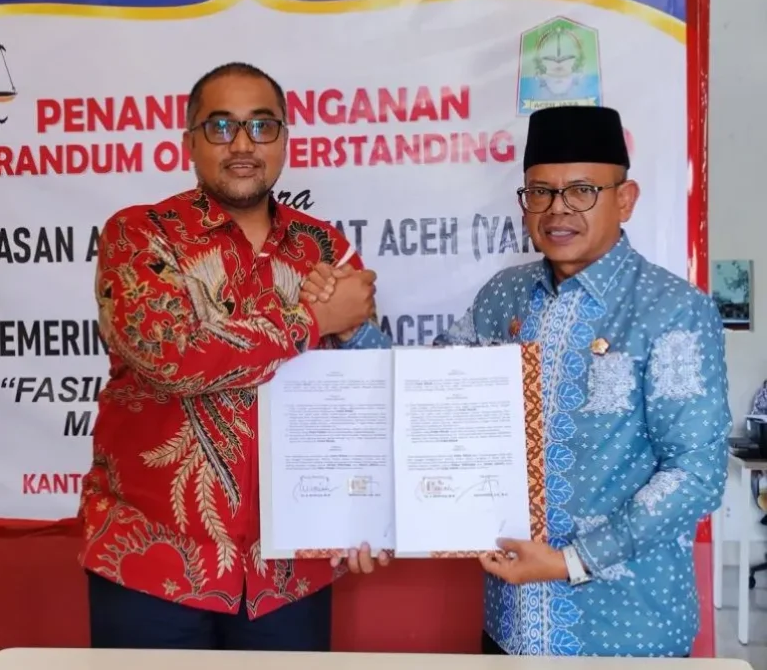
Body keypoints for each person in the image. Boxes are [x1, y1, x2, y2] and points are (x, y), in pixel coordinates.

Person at [300, 105, 731, 657]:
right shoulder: (503, 294)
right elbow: (423, 402)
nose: (557, 210)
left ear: (625, 199)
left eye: (581, 191)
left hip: (626, 633)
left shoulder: (672, 310)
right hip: (512, 626)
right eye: (540, 192)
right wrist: (353, 325)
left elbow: (696, 475)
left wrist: (571, 560)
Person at [80, 62, 389, 652]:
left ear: (284, 139)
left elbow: (356, 391)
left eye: (262, 126)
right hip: (152, 561)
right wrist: (313, 320)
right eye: (220, 126)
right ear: (189, 142)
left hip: (289, 570)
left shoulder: (325, 247)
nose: (243, 144)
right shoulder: (141, 235)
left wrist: (365, 512)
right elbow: (170, 358)